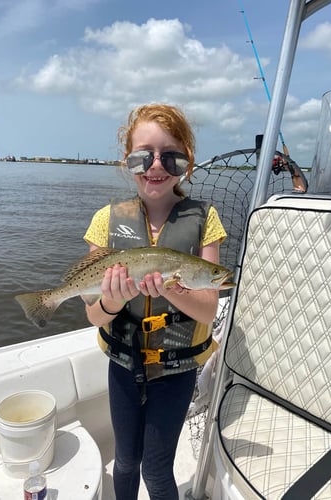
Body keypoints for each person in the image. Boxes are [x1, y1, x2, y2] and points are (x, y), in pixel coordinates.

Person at [83, 103, 226, 500]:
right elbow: (94, 314)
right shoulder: (104, 220)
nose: (156, 165)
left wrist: (170, 288)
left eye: (171, 155)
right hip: (122, 364)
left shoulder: (205, 219)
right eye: (143, 155)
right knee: (125, 462)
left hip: (178, 369)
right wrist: (110, 302)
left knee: (157, 469)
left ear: (187, 162)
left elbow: (209, 308)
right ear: (128, 160)